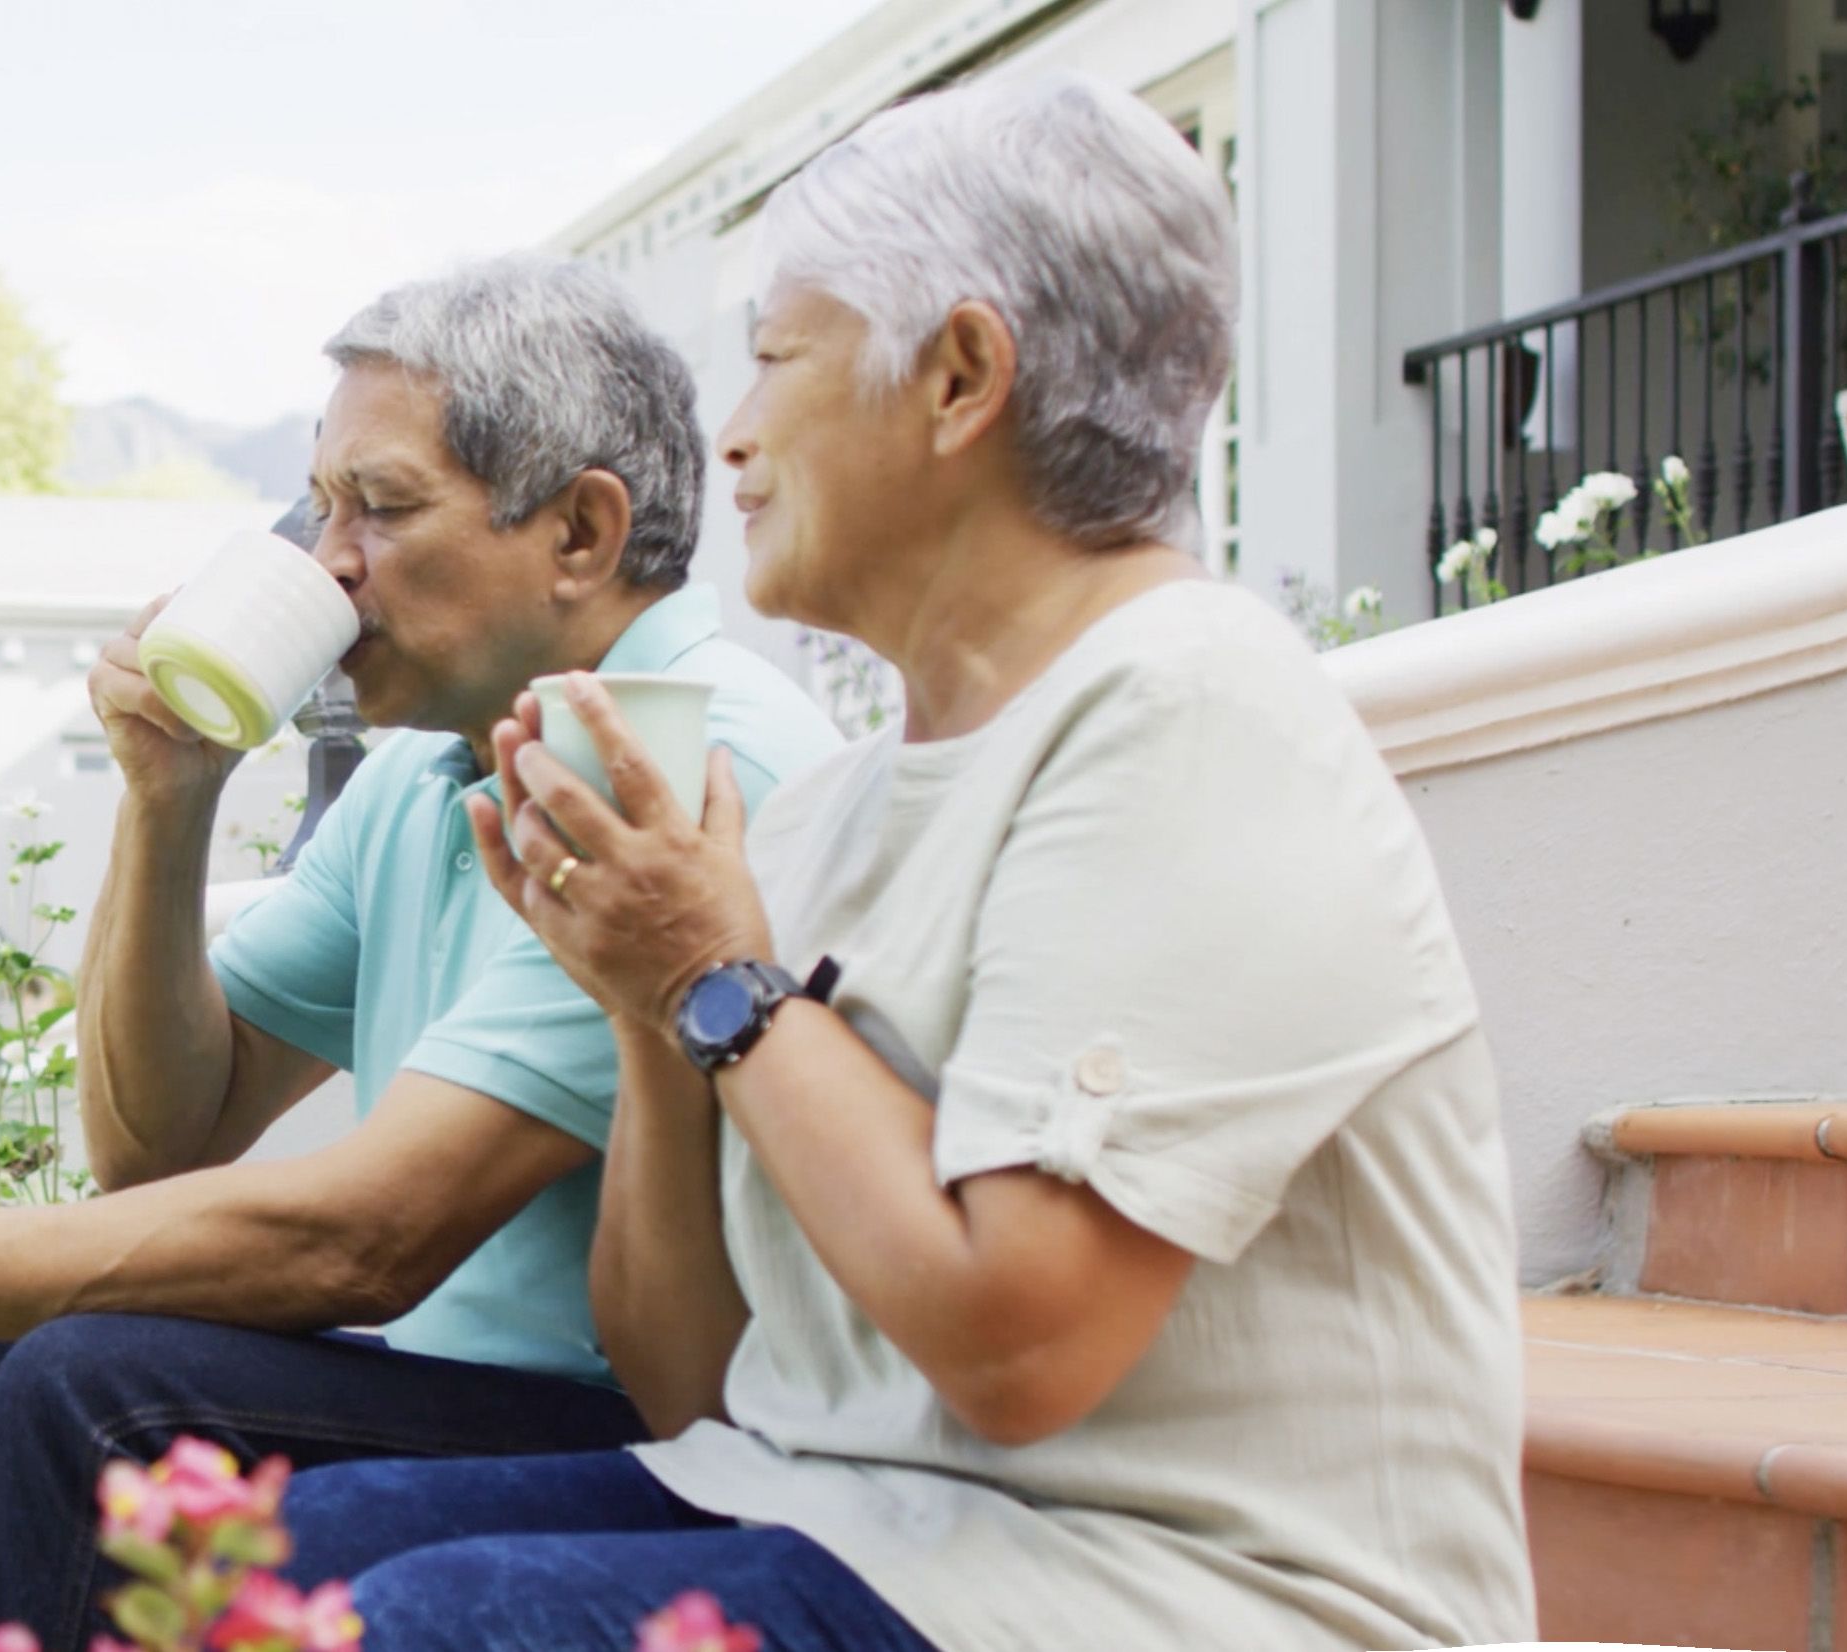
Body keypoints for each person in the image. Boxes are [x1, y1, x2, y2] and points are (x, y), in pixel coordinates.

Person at [270, 70, 1539, 1652]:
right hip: (850, 1515)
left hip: (1181, 1593)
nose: (729, 443)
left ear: (957, 378)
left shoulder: (1191, 713)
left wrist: (714, 978)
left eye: (778, 362)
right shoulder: (835, 809)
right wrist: (643, 1006)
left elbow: (1019, 1349)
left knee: (441, 1627)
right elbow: (696, 1382)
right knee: (271, 1556)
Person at [0, 253, 840, 1650]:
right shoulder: (431, 768)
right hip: (454, 1385)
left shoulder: (684, 756)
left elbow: (370, 1241)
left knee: (95, 1388)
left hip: (656, 1428)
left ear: (579, 533)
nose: (327, 562)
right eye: (320, 506)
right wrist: (167, 797)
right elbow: (163, 1140)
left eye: (379, 507)